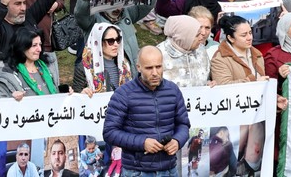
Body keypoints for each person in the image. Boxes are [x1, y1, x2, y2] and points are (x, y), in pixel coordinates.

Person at [103, 46, 191, 176]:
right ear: (138, 67)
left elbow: (183, 124)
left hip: (169, 169)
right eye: (149, 68)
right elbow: (109, 132)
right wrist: (142, 143)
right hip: (137, 171)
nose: (155, 72)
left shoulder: (173, 90)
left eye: (158, 67)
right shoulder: (123, 94)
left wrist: (177, 141)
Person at [0, 28, 59, 99]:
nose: (39, 49)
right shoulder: (6, 74)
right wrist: (11, 98)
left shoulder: (47, 68)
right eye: (34, 45)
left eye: (40, 44)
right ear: (22, 47)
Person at [210, 15, 265, 85]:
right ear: (230, 38)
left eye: (250, 33)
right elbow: (223, 86)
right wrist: (253, 81)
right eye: (244, 35)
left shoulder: (257, 55)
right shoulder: (220, 59)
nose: (249, 38)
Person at [158, 15, 211, 87]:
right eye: (197, 35)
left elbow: (205, 78)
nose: (201, 38)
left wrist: (208, 84)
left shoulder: (201, 50)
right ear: (183, 36)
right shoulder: (159, 55)